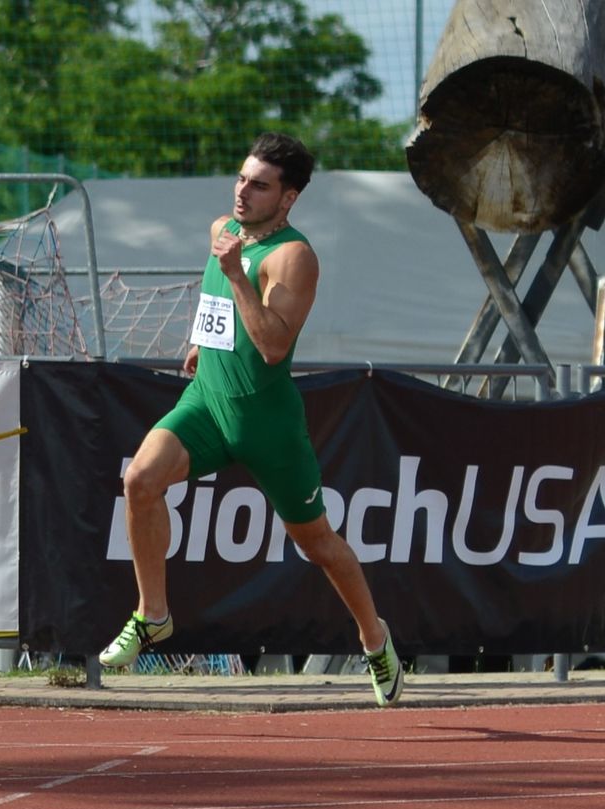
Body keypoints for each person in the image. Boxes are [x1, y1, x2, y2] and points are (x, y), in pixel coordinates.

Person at [98, 132, 403, 707]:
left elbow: (272, 346)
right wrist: (201, 338)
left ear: (288, 198)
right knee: (139, 479)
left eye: (259, 186)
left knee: (318, 544)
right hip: (208, 401)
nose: (242, 192)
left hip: (266, 422)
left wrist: (238, 275)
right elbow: (216, 300)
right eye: (241, 179)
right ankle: (153, 613)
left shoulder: (294, 257)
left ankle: (374, 637)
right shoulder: (222, 230)